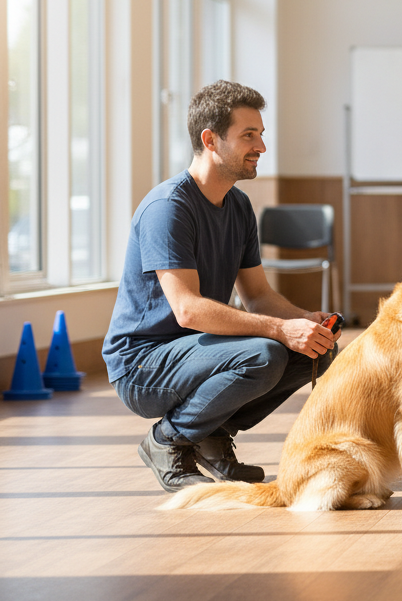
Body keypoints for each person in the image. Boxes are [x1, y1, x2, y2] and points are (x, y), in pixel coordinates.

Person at [103, 81, 341, 493]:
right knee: (265, 352)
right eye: (249, 135)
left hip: (199, 351)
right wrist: (280, 330)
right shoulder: (168, 208)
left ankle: (211, 434)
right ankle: (167, 441)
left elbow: (259, 296)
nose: (261, 147)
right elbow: (189, 311)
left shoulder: (238, 205)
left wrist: (304, 321)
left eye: (261, 135)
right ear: (210, 140)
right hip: (142, 365)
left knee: (316, 350)